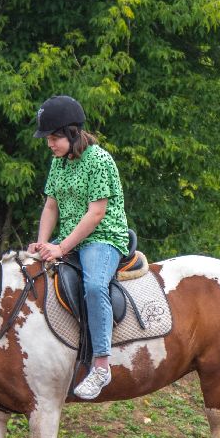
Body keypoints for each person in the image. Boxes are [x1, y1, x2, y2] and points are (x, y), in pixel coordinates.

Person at [26, 94, 131, 400]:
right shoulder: (58, 162)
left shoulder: (99, 160)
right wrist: (44, 242)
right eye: (47, 139)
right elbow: (50, 206)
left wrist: (61, 248)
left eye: (54, 138)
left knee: (95, 286)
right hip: (69, 237)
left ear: (73, 132)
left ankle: (101, 364)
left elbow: (96, 213)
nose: (50, 144)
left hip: (103, 237)